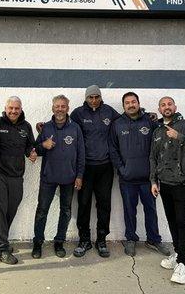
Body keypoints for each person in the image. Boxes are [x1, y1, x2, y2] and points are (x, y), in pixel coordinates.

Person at [150, 96, 185, 285]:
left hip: (183, 183)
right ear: (159, 109)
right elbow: (153, 158)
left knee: (182, 220)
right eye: (163, 105)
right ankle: (178, 253)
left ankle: (183, 262)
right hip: (165, 183)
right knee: (172, 220)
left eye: (169, 104)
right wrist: (153, 181)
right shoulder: (157, 130)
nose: (167, 107)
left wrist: (179, 136)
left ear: (175, 107)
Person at [109, 92, 170, 257]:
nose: (130, 105)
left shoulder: (150, 122)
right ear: (123, 106)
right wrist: (122, 169)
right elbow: (113, 150)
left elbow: (159, 145)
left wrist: (155, 174)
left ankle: (154, 239)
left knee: (151, 210)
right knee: (129, 211)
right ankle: (130, 239)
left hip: (148, 179)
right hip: (127, 178)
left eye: (133, 102)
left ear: (138, 103)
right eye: (127, 102)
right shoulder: (117, 124)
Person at [31, 95, 85, 258]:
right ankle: (37, 243)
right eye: (57, 106)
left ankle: (59, 242)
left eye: (63, 106)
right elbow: (35, 150)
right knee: (42, 210)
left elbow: (81, 154)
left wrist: (79, 175)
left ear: (68, 108)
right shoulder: (45, 128)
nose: (60, 109)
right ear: (52, 108)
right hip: (49, 177)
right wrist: (43, 145)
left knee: (66, 211)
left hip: (69, 178)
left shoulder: (75, 128)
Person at [70, 85, 120, 258]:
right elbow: (65, 127)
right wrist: (43, 126)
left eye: (96, 97)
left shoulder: (109, 111)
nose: (93, 100)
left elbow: (125, 123)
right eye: (90, 97)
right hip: (85, 167)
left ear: (100, 97)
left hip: (105, 167)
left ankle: (101, 239)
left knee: (104, 203)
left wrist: (147, 117)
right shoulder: (77, 113)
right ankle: (84, 240)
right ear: (86, 98)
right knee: (83, 204)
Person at [0, 96, 37, 265]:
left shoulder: (26, 126)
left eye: (16, 108)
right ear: (5, 107)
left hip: (17, 175)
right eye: (11, 108)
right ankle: (1, 249)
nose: (13, 111)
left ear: (21, 108)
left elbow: (30, 146)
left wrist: (32, 152)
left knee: (11, 209)